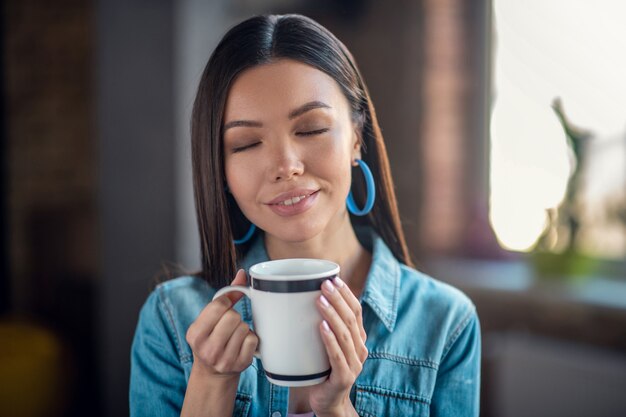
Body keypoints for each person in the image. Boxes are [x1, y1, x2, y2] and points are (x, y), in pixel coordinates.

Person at [130, 14, 480, 417]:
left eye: (311, 128)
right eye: (246, 143)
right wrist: (211, 383)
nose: (286, 165)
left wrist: (336, 409)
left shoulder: (445, 325)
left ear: (356, 138)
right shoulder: (172, 320)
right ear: (219, 169)